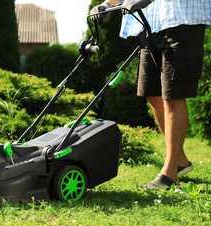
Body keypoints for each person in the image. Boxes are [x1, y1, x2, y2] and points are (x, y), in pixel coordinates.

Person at [90, 0, 211, 190]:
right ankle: (180, 162)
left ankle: (169, 175)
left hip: (182, 20)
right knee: (152, 92)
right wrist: (108, 3)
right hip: (150, 23)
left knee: (173, 95)